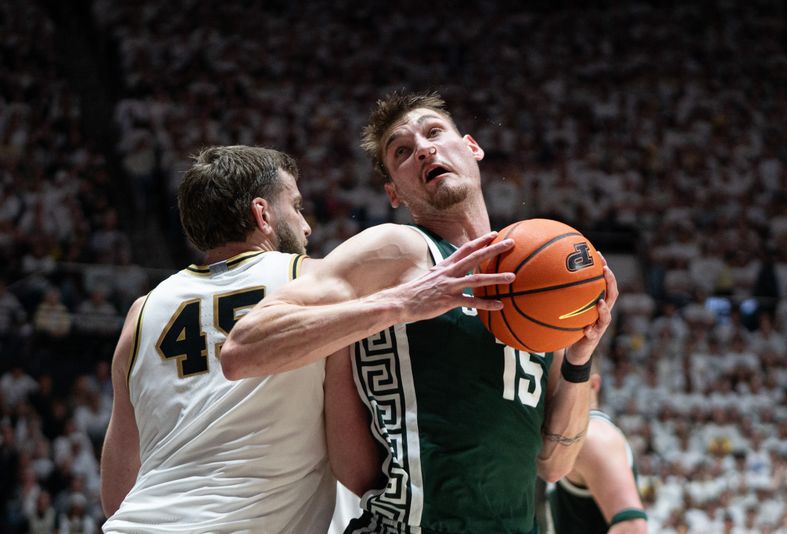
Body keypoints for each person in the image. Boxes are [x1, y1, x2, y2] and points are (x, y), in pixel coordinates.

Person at [221, 92, 618, 533]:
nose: (424, 149)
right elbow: (243, 349)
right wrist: (404, 302)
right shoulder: (398, 249)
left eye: (433, 133)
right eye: (402, 152)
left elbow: (554, 464)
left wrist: (580, 359)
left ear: (471, 147)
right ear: (394, 191)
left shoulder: (536, 281)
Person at [100, 145, 379, 533]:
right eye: (296, 207)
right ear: (262, 214)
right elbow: (355, 467)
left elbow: (116, 494)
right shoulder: (314, 283)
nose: (306, 226)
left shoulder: (142, 312)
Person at [547, 357, 648, 534]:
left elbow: (633, 527)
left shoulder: (592, 437)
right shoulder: (569, 437)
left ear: (593, 385)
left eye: (565, 380)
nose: (557, 392)